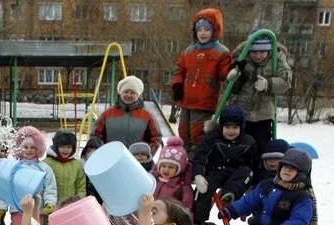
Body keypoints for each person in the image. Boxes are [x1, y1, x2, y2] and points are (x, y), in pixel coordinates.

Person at [171, 8, 233, 152]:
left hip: (204, 101)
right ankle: (184, 156)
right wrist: (177, 85)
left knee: (197, 132)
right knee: (183, 131)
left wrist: (230, 72)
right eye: (200, 30)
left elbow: (224, 73)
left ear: (214, 31)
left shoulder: (221, 52)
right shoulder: (189, 51)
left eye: (207, 29)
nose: (203, 33)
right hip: (187, 100)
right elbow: (179, 70)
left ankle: (198, 158)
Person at [225, 31, 292, 156]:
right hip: (243, 112)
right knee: (241, 146)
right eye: (254, 52)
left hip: (264, 114)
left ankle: (259, 170)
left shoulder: (276, 60)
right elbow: (231, 89)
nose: (258, 55)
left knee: (261, 146)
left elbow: (286, 82)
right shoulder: (242, 59)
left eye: (262, 52)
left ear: (269, 50)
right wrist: (234, 77)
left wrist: (268, 84)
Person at [190, 105, 258, 225]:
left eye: (235, 127)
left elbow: (252, 163)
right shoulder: (211, 139)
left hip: (236, 174)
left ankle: (228, 195)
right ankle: (197, 220)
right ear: (221, 127)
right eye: (227, 127)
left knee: (246, 172)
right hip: (215, 171)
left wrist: (251, 183)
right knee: (204, 189)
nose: (231, 131)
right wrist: (198, 174)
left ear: (241, 127)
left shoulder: (248, 141)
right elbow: (200, 157)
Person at [93, 76, 160, 152]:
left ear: (138, 95)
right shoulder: (107, 114)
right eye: (125, 92)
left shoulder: (147, 116)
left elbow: (156, 137)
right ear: (120, 93)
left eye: (132, 93)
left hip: (137, 161)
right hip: (111, 159)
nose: (128, 95)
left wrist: (147, 155)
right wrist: (100, 153)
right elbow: (95, 136)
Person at [42, 131, 87, 212]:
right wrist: (47, 203)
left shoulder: (77, 164)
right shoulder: (47, 163)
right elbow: (43, 186)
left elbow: (81, 185)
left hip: (71, 207)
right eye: (62, 147)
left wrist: (78, 200)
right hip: (51, 206)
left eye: (69, 147)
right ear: (56, 146)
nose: (65, 150)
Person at [152, 136, 194, 211]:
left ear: (179, 169)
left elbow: (186, 204)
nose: (166, 169)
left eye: (171, 167)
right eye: (163, 166)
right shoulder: (153, 180)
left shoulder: (182, 186)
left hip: (169, 216)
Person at [80, 137, 104, 203]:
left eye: (94, 150)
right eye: (88, 150)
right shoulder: (81, 167)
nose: (91, 153)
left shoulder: (106, 168)